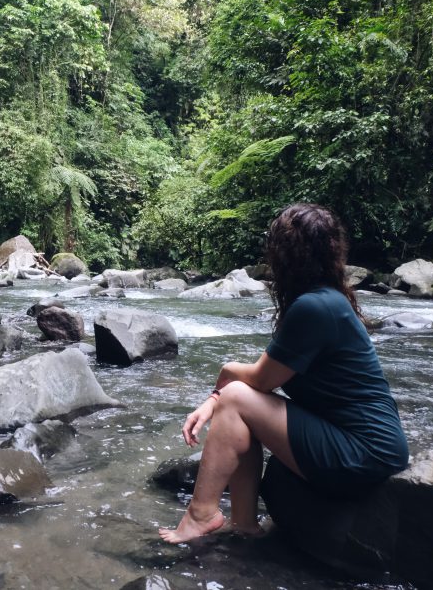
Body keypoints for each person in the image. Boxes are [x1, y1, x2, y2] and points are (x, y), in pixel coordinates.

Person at [159, 203, 410, 543]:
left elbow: (257, 381)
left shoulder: (314, 307)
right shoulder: (325, 300)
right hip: (365, 444)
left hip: (364, 452)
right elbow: (260, 387)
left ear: (285, 255)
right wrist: (215, 398)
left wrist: (222, 378)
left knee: (236, 399)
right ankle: (244, 526)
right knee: (239, 405)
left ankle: (201, 515)